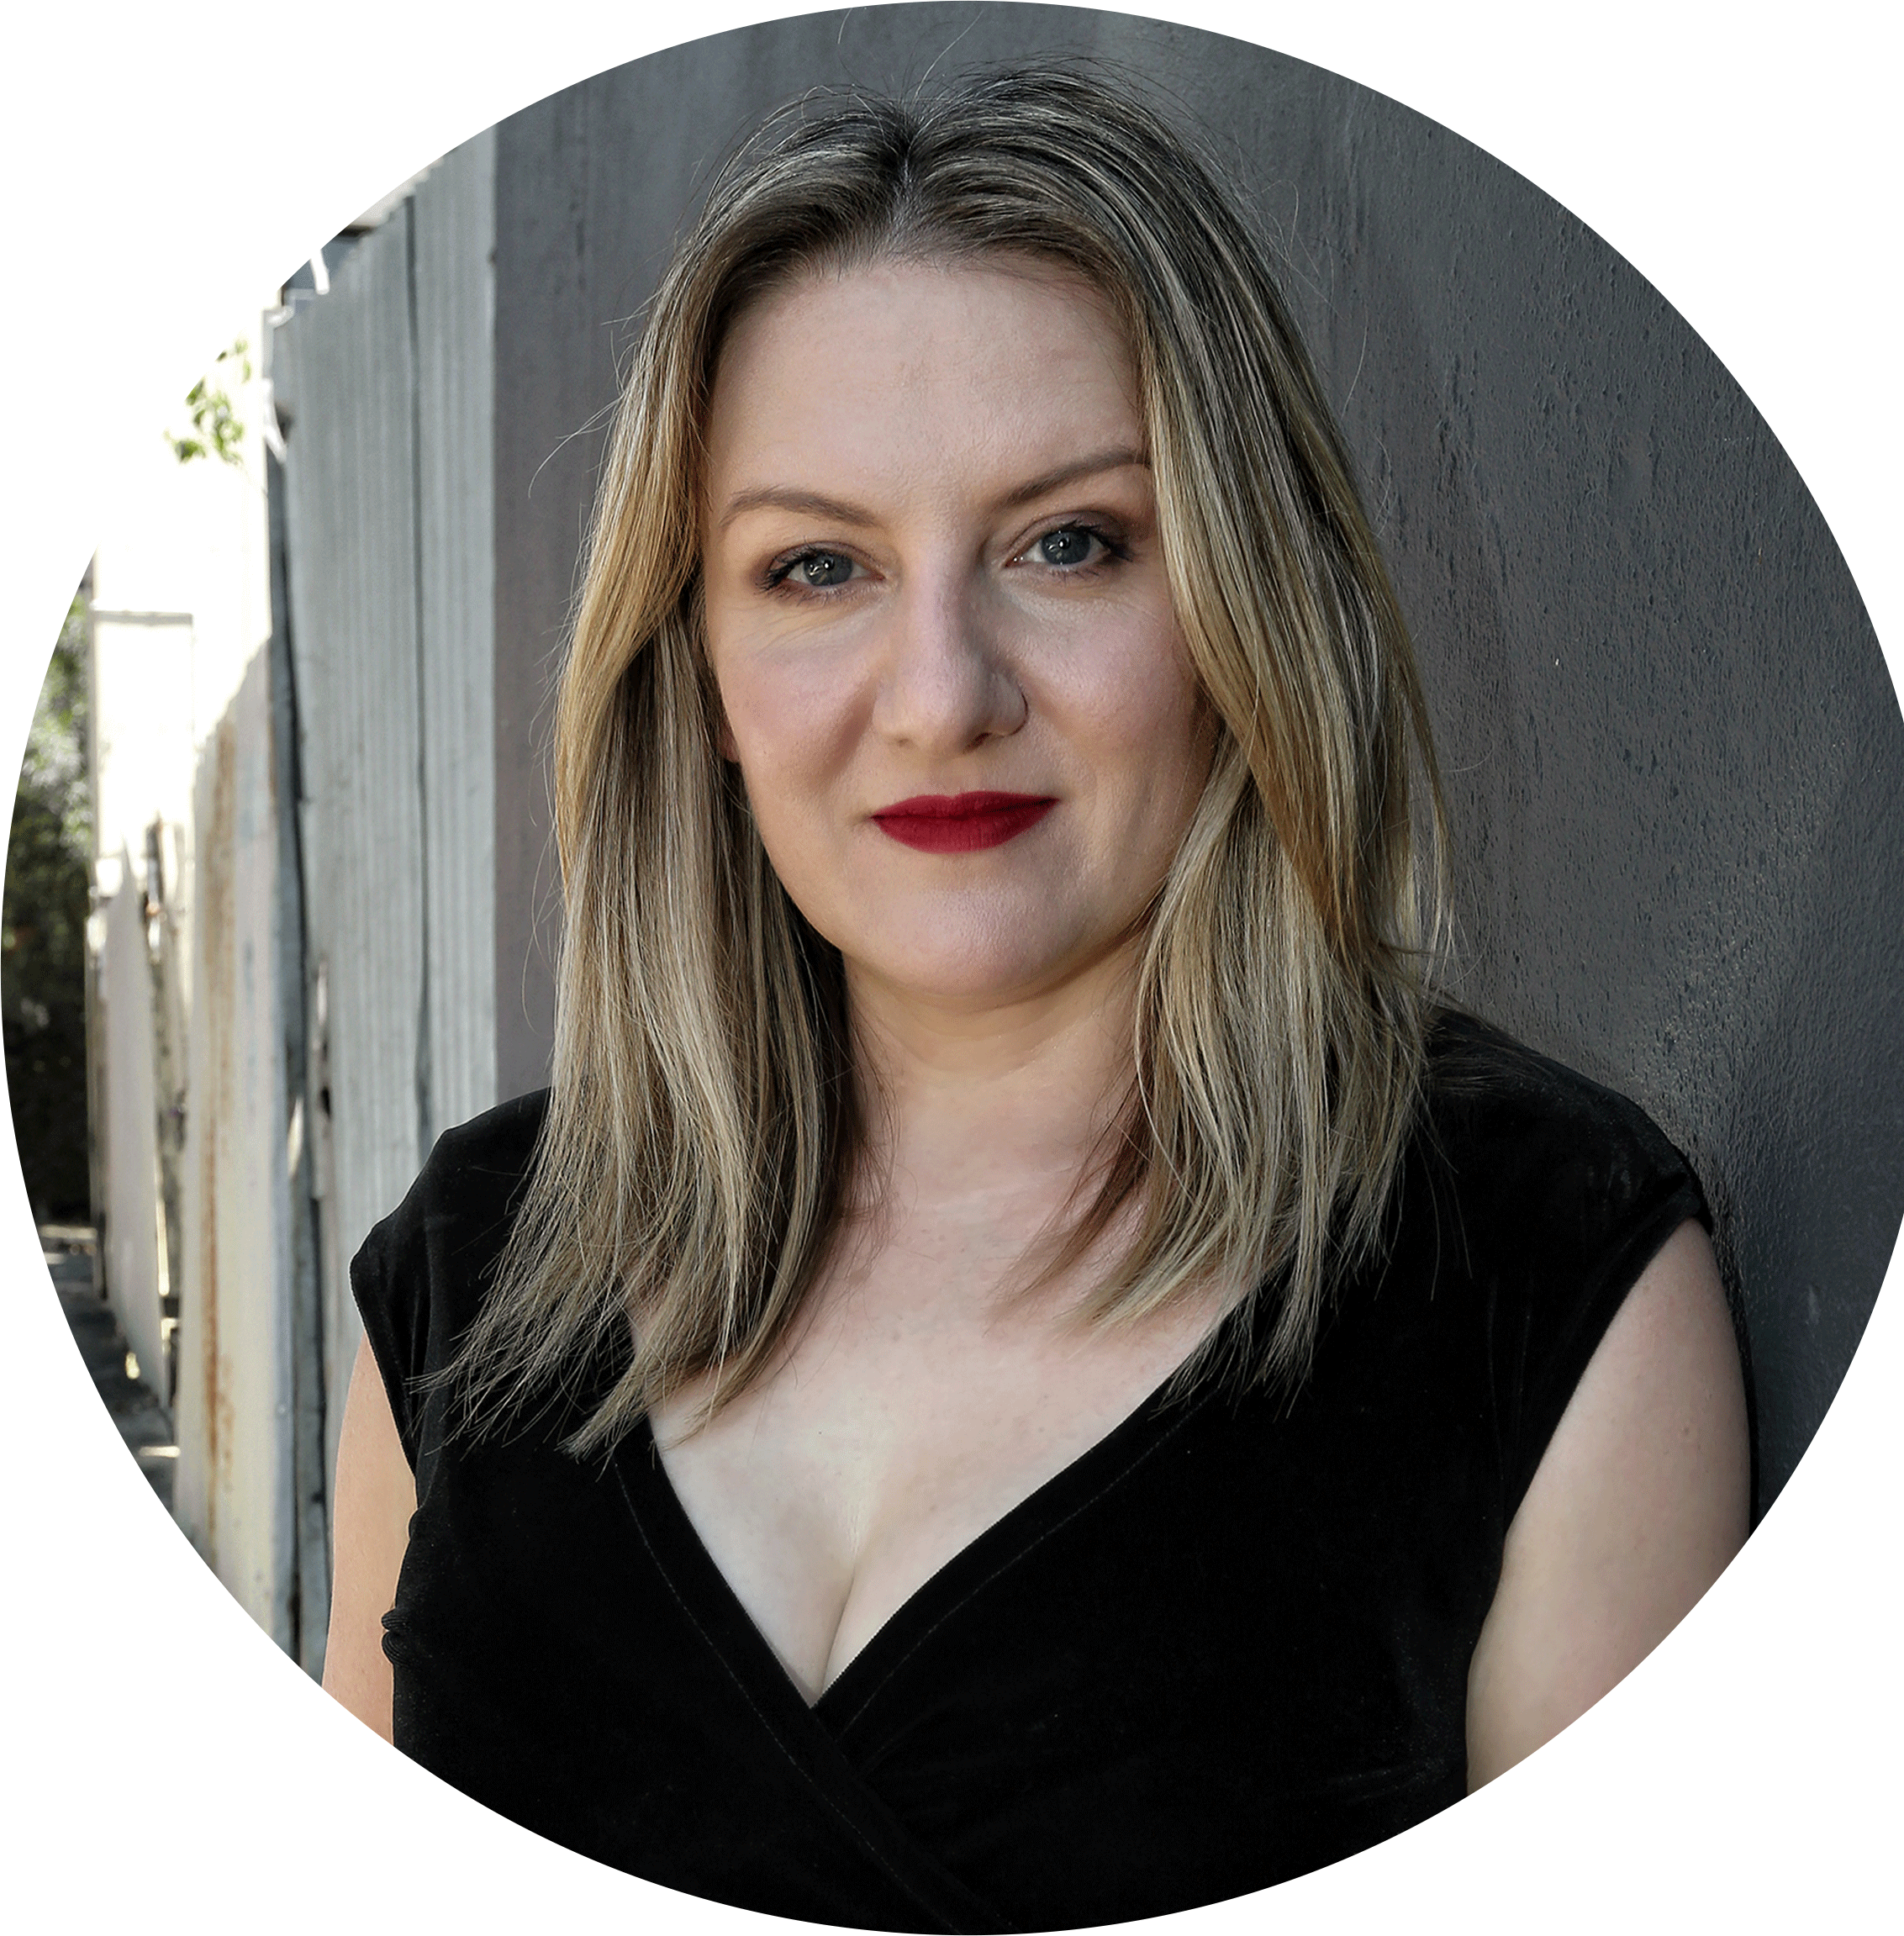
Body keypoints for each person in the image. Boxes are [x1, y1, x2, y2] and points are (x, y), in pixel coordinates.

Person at [321, 65, 1748, 1927]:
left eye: (1068, 540)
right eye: (814, 565)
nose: (939, 691)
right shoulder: (474, 1271)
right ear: (697, 667)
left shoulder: (1542, 1274)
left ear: (1245, 600)